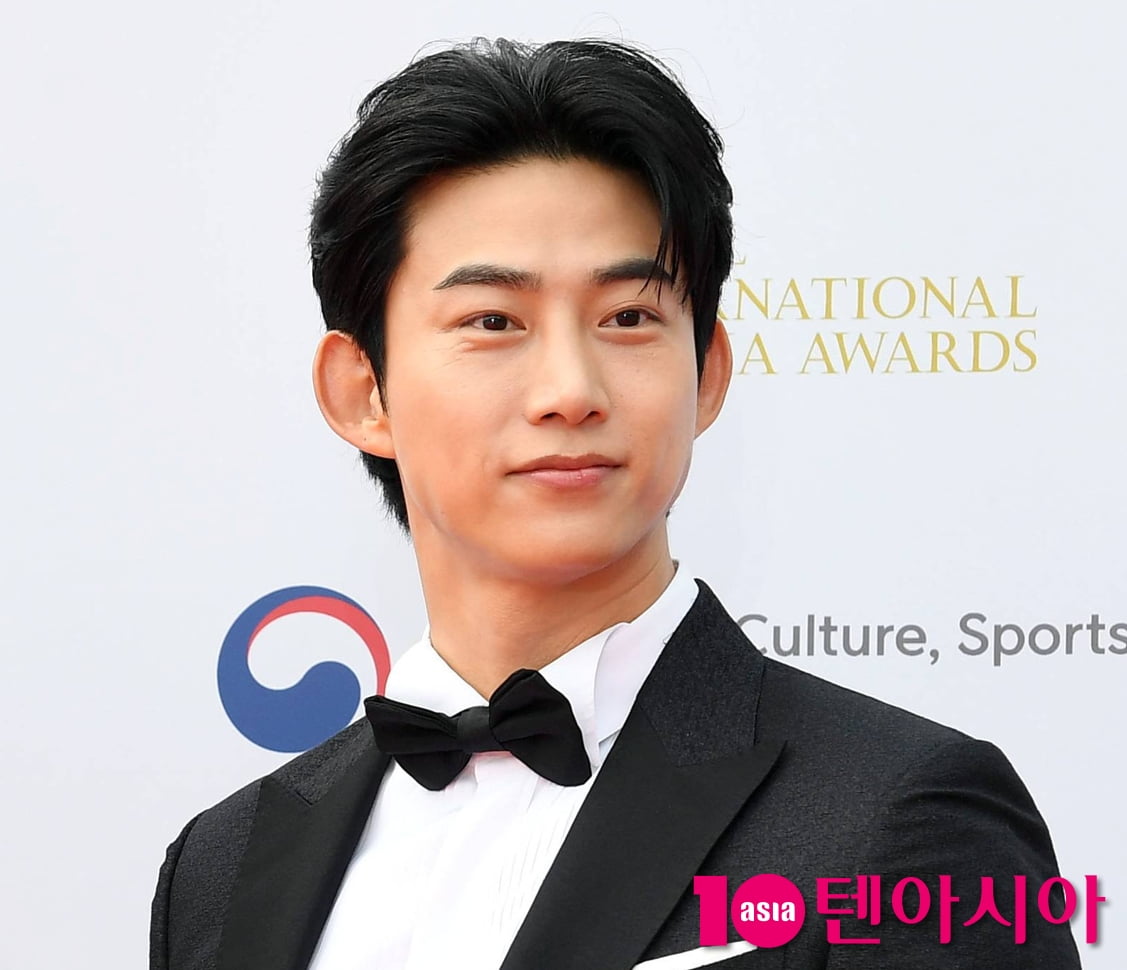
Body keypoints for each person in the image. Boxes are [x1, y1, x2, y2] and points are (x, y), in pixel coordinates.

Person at [150, 38, 1082, 970]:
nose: (570, 389)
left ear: (705, 373)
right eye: (492, 321)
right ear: (363, 392)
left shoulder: (905, 812)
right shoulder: (220, 868)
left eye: (628, 318)